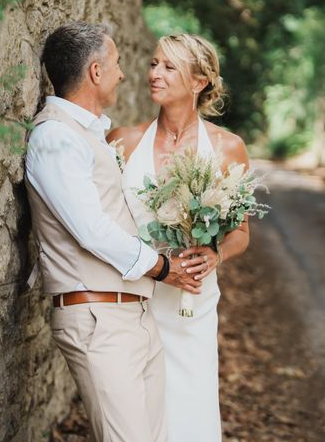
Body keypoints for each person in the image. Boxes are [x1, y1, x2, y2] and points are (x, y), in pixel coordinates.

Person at [24, 21, 201, 442]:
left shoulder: (90, 136)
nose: (125, 74)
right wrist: (162, 268)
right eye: (118, 63)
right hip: (98, 318)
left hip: (134, 313)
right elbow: (91, 230)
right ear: (96, 73)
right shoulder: (55, 137)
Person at [107, 33, 251, 441]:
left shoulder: (228, 149)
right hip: (133, 299)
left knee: (190, 413)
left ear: (198, 82)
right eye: (154, 63)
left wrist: (215, 254)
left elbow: (241, 232)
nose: (154, 74)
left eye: (169, 67)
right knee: (134, 417)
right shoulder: (123, 141)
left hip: (191, 304)